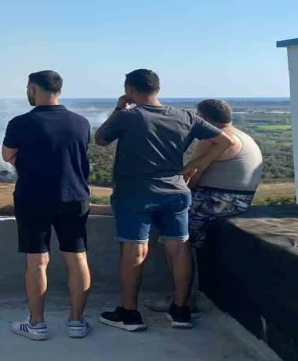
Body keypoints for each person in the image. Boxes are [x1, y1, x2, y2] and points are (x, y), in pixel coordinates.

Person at [94, 69, 234, 331]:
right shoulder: (185, 116)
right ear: (157, 89)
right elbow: (224, 140)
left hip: (135, 193)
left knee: (135, 249)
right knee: (179, 249)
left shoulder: (129, 115)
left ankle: (129, 313)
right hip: (176, 192)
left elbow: (100, 139)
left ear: (129, 89)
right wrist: (192, 166)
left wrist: (118, 108)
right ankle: (181, 311)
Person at [1, 70, 93, 341]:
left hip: (33, 197)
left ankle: (37, 324)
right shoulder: (81, 122)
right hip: (75, 197)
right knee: (77, 258)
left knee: (37, 260)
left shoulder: (20, 123)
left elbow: (8, 155)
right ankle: (76, 322)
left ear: (32, 89)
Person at [184, 99, 265, 247]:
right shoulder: (244, 137)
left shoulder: (213, 139)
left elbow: (192, 174)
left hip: (214, 200)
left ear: (204, 118)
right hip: (241, 201)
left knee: (175, 236)